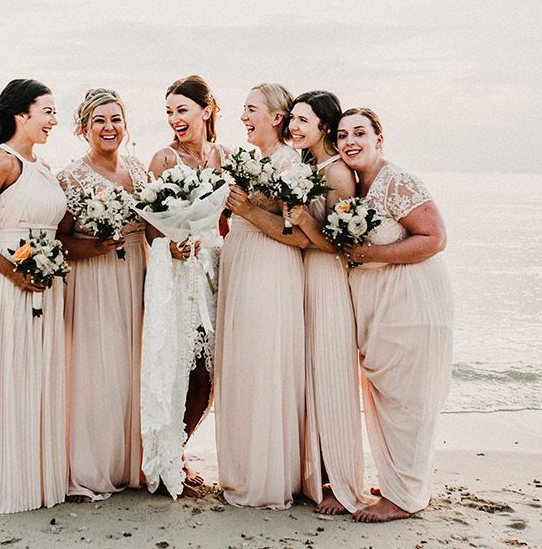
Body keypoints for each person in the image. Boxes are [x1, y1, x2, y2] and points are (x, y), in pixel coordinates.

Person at [336, 108, 454, 522]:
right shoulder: (353, 185)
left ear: (378, 138)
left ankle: (403, 499)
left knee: (408, 397)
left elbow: (435, 237)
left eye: (359, 133)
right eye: (343, 134)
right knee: (384, 395)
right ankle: (395, 479)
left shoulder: (395, 181)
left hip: (411, 300)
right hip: (376, 304)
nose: (350, 140)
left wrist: (371, 254)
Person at [0, 79, 67, 513]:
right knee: (13, 374)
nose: (54, 120)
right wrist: (13, 273)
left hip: (47, 283)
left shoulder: (42, 165)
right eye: (47, 111)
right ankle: (9, 482)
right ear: (22, 114)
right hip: (11, 284)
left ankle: (39, 477)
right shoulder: (1, 164)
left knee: (40, 377)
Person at [215, 83, 306, 509]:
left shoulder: (291, 163)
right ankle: (243, 468)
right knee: (242, 361)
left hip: (270, 265)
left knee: (264, 360)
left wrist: (247, 209)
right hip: (240, 257)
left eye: (250, 109)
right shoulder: (252, 159)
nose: (243, 117)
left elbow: (296, 235)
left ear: (276, 117)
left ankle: (267, 476)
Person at [285, 91, 374, 514]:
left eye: (303, 121)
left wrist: (302, 220)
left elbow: (340, 245)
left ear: (323, 126)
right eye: (292, 120)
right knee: (310, 377)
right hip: (302, 279)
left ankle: (343, 482)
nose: (294, 128)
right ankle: (315, 473)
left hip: (328, 281)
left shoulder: (338, 174)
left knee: (333, 376)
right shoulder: (304, 166)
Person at [56, 88, 147, 501]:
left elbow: (154, 225)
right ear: (83, 129)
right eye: (99, 121)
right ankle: (90, 468)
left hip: (137, 275)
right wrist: (95, 246)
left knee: (133, 370)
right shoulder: (70, 178)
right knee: (96, 372)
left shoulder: (139, 170)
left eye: (115, 120)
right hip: (92, 281)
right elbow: (59, 241)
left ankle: (132, 466)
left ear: (126, 125)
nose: (109, 128)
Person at [142, 75, 230, 498]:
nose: (175, 119)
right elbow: (149, 227)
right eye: (170, 112)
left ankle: (179, 448)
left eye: (183, 110)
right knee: (181, 367)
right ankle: (167, 460)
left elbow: (228, 222)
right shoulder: (163, 160)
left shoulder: (224, 157)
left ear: (206, 109)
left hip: (215, 267)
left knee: (211, 373)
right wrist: (171, 248)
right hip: (179, 274)